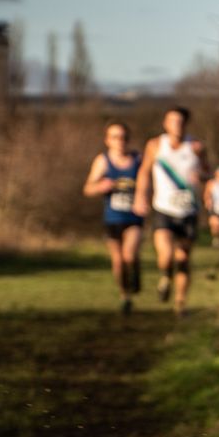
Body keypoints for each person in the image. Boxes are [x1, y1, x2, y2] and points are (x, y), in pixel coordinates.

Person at [135, 106, 207, 316]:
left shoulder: (196, 147)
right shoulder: (155, 145)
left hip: (189, 210)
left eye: (180, 121)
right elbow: (144, 172)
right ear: (165, 124)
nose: (176, 125)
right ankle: (166, 276)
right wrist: (140, 196)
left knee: (183, 259)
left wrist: (202, 177)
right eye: (172, 121)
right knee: (166, 255)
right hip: (164, 209)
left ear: (186, 123)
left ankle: (180, 303)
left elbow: (208, 172)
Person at [81, 121, 145, 311]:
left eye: (123, 137)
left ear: (128, 139)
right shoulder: (102, 161)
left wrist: (145, 198)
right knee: (118, 262)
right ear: (107, 140)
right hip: (112, 219)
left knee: (129, 255)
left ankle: (135, 271)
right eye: (115, 137)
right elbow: (87, 188)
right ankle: (125, 295)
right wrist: (100, 186)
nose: (120, 141)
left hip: (134, 218)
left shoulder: (138, 160)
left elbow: (150, 183)